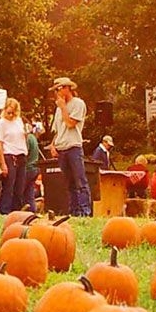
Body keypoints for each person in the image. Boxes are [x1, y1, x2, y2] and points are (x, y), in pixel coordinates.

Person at [49, 77, 91, 216]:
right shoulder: (58, 109)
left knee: (80, 180)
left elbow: (70, 123)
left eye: (59, 89)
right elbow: (58, 129)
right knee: (69, 183)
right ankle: (74, 211)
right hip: (61, 148)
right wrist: (53, 145)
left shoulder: (78, 104)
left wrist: (63, 107)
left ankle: (85, 210)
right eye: (55, 90)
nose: (57, 92)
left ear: (67, 88)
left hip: (73, 146)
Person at [0, 100, 28, 213]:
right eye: (9, 112)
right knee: (9, 185)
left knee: (20, 186)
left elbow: (23, 137)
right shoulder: (0, 124)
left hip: (21, 154)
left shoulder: (19, 121)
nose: (11, 115)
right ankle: (4, 211)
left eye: (13, 113)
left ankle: (17, 210)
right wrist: (2, 163)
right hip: (8, 155)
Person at [23, 125, 42, 212]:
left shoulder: (27, 139)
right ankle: (32, 211)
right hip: (34, 168)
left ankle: (20, 211)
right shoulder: (33, 137)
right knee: (29, 193)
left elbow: (24, 153)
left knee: (20, 192)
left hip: (27, 168)